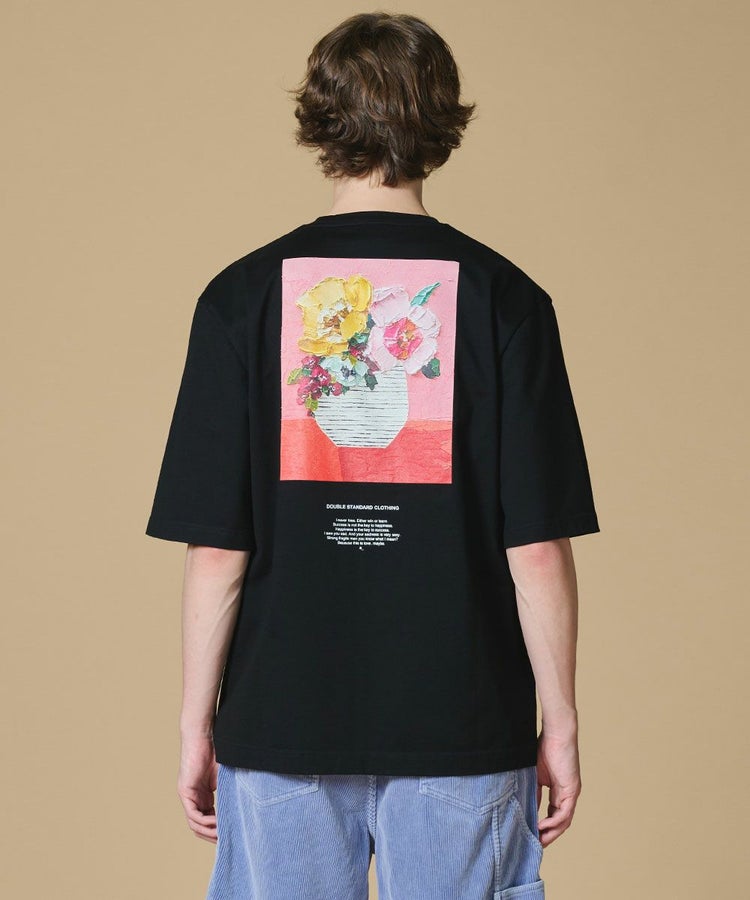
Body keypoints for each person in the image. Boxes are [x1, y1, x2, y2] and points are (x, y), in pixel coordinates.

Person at [145, 11, 600, 900]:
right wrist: (563, 721)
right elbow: (537, 547)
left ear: (320, 119)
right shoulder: (508, 301)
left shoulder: (240, 299)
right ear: (441, 121)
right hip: (464, 719)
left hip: (280, 720)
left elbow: (218, 550)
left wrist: (197, 722)